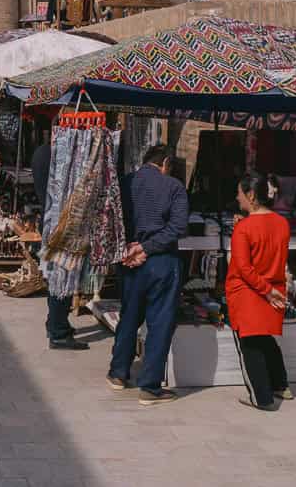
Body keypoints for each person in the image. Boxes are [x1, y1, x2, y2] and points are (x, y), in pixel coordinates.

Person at [107, 144, 190, 404]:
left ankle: (118, 372)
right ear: (165, 162)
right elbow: (178, 227)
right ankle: (149, 386)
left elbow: (113, 221)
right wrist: (146, 247)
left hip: (131, 260)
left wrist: (130, 248)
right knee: (159, 323)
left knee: (130, 315)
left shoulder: (125, 183)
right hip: (161, 260)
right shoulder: (174, 187)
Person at [227, 171, 292, 410]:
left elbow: (244, 267)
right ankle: (280, 384)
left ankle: (261, 397)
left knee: (250, 345)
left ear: (251, 195)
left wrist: (264, 289)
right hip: (273, 289)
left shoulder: (244, 228)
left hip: (249, 292)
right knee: (265, 339)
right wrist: (269, 290)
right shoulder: (282, 223)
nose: (238, 198)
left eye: (240, 193)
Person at [29, 132, 86, 350]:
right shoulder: (58, 157)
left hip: (49, 221)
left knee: (55, 276)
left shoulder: (41, 153)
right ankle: (58, 331)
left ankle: (55, 322)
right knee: (62, 278)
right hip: (61, 227)